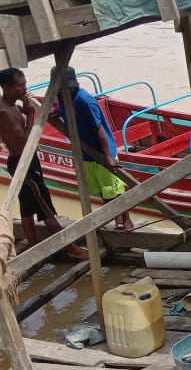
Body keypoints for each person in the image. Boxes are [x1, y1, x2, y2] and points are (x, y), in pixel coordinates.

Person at [0, 67, 88, 259]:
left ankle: (32, 245)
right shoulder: (5, 112)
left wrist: (25, 110)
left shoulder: (13, 107)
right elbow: (25, 143)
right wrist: (31, 115)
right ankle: (72, 249)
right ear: (6, 87)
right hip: (24, 163)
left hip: (22, 161)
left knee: (27, 207)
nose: (24, 89)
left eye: (25, 84)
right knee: (44, 206)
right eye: (19, 86)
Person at [49, 67, 132, 231]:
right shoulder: (63, 98)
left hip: (100, 151)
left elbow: (98, 129)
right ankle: (116, 217)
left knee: (114, 190)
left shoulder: (84, 101)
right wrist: (57, 112)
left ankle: (126, 219)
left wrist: (107, 156)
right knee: (102, 190)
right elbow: (69, 113)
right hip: (84, 152)